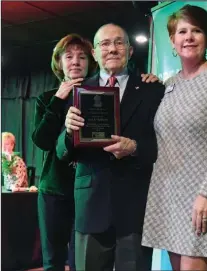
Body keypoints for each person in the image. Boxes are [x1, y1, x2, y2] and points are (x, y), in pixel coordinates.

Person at [142, 4, 207, 271]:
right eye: (182, 31)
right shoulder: (168, 85)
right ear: (173, 41)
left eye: (196, 30)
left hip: (202, 196)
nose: (188, 37)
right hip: (169, 195)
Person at [56, 23, 165, 271]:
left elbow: (164, 146)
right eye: (104, 44)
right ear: (94, 53)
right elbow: (61, 152)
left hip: (136, 206)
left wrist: (135, 147)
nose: (112, 49)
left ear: (130, 50)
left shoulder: (152, 89)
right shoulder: (76, 90)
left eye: (118, 43)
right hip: (91, 205)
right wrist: (70, 132)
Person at [32, 33, 97, 271]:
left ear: (91, 61)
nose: (75, 61)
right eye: (68, 56)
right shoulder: (47, 98)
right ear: (59, 62)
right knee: (53, 261)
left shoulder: (100, 96)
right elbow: (41, 140)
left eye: (82, 56)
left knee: (82, 260)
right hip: (54, 189)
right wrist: (59, 99)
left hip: (88, 190)